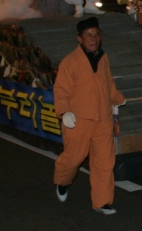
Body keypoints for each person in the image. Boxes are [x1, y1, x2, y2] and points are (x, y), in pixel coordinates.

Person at [52, 17, 126, 215]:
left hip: (102, 119)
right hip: (78, 120)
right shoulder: (70, 62)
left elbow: (108, 83)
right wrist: (64, 111)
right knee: (73, 159)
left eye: (96, 34)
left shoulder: (103, 58)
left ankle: (102, 202)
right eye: (88, 35)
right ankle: (62, 181)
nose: (93, 39)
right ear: (79, 39)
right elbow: (61, 90)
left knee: (104, 161)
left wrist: (118, 98)